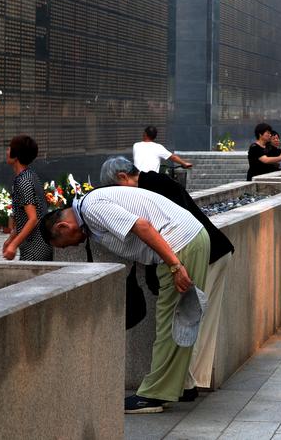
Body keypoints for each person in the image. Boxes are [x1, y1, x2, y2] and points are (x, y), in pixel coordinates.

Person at [40, 185, 210, 414]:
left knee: (170, 325)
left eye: (68, 242)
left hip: (180, 247)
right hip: (188, 241)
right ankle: (182, 386)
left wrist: (176, 266)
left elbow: (142, 226)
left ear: (63, 226)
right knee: (179, 321)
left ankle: (154, 396)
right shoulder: (92, 205)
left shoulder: (92, 208)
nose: (76, 245)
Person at [100, 156, 235, 398]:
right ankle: (187, 383)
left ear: (123, 177)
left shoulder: (155, 185)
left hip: (209, 254)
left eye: (116, 190)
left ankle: (186, 384)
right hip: (214, 250)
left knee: (191, 321)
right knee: (193, 321)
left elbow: (169, 234)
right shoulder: (156, 182)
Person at [2, 135, 53, 261]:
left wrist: (13, 245)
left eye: (9, 149)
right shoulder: (28, 176)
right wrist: (11, 239)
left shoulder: (24, 181)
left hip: (36, 247)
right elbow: (23, 219)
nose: (7, 152)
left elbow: (33, 218)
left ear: (16, 155)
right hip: (35, 244)